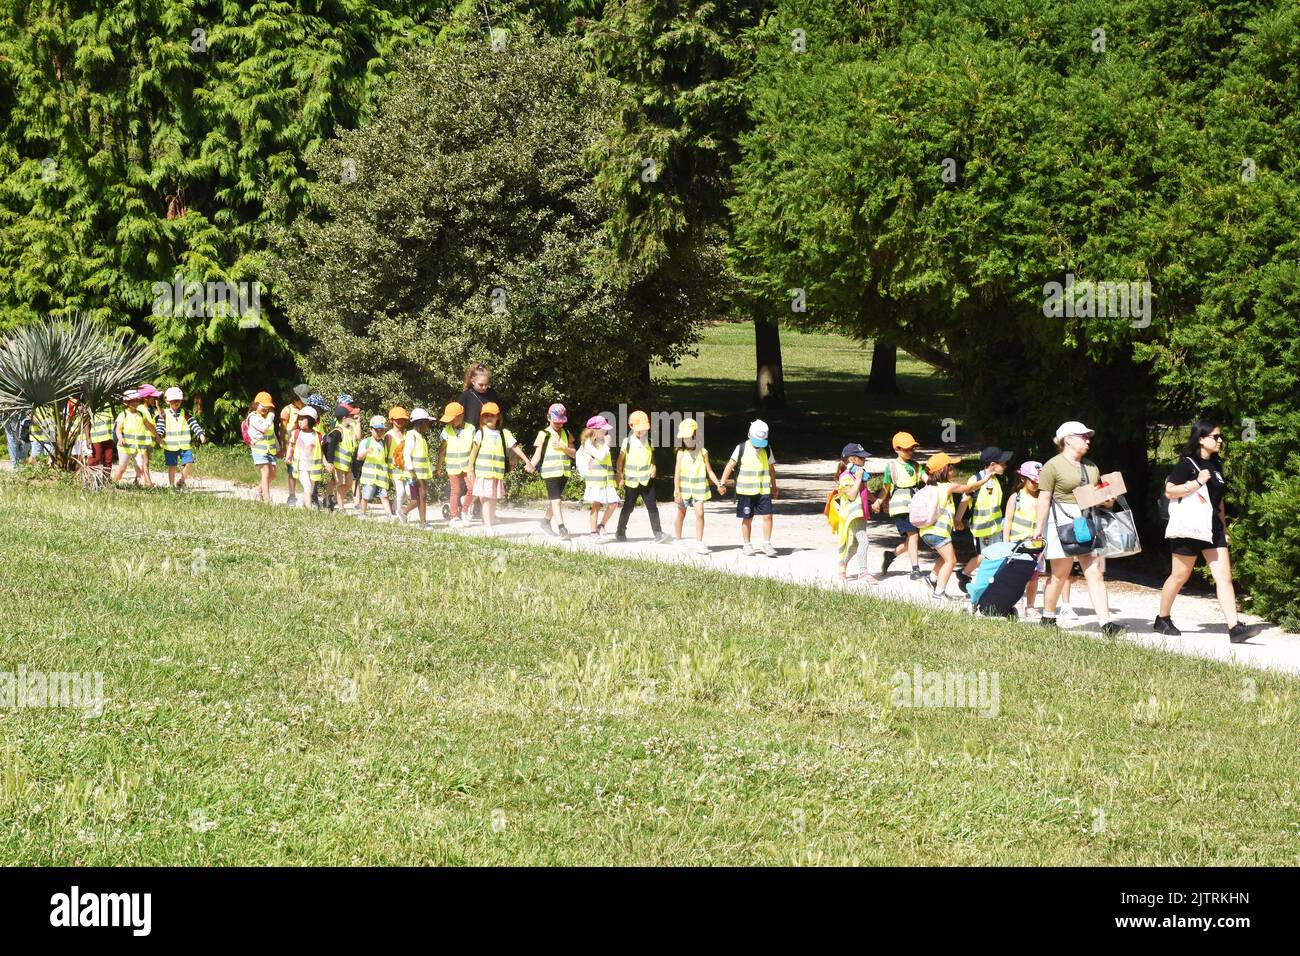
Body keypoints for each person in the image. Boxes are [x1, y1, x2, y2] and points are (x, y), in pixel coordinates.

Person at [1155, 420, 1263, 644]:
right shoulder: (1187, 464)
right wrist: (1196, 483)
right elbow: (1170, 491)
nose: (1220, 441)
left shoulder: (1217, 465)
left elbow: (1218, 501)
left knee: (1224, 577)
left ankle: (1235, 628)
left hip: (1212, 528)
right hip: (1189, 528)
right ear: (1201, 439)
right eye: (1215, 437)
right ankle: (1162, 618)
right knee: (1180, 576)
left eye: (1220, 437)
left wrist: (1223, 529)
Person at [1033, 420, 1126, 636]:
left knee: (1095, 572)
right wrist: (1038, 529)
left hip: (1087, 521)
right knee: (1060, 574)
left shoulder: (1091, 467)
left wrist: (1108, 499)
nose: (1087, 439)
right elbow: (1044, 498)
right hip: (1061, 523)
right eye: (1082, 436)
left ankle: (1106, 623)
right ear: (1068, 439)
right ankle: (1048, 617)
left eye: (1088, 436)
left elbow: (1098, 497)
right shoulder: (1052, 466)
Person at [916, 453, 987, 602]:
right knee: (951, 560)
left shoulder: (930, 484)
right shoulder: (948, 486)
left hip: (926, 531)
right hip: (938, 532)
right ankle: (939, 593)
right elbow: (970, 487)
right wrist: (987, 478)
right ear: (944, 470)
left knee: (946, 556)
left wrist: (956, 521)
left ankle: (932, 578)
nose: (954, 469)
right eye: (951, 466)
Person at [466, 402, 533, 535]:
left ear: (498, 417)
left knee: (493, 499)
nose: (488, 418)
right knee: (485, 499)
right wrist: (469, 469)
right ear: (481, 418)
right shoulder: (481, 433)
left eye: (492, 415)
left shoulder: (505, 433)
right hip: (483, 473)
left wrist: (527, 461)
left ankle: (489, 520)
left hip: (497, 474)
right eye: (485, 416)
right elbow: (473, 452)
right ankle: (488, 526)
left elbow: (515, 448)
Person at [954, 446, 1013, 591]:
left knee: (995, 556)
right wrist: (958, 520)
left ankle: (973, 577)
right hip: (982, 530)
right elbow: (965, 499)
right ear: (993, 465)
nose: (1005, 465)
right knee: (985, 557)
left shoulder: (996, 480)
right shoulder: (976, 479)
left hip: (995, 528)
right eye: (1002, 463)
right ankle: (969, 577)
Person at [718, 419, 779, 557]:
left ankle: (767, 543)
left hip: (763, 490)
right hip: (746, 491)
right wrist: (721, 483)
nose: (759, 445)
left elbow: (771, 469)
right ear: (748, 435)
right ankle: (747, 544)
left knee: (768, 516)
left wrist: (774, 487)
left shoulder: (767, 449)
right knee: (747, 518)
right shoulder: (741, 448)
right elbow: (730, 465)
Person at [615, 410, 672, 544]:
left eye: (645, 429)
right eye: (639, 429)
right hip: (631, 482)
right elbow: (620, 460)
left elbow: (652, 458)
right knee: (628, 508)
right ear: (631, 426)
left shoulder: (650, 441)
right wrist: (620, 475)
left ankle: (658, 533)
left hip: (647, 481)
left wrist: (654, 467)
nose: (642, 432)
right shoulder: (627, 442)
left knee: (652, 507)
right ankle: (620, 531)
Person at [672, 418, 724, 555]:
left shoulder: (703, 452)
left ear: (696, 435)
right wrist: (676, 490)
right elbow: (677, 473)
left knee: (700, 514)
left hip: (699, 489)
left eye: (689, 438)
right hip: (684, 490)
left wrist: (718, 484)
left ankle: (699, 542)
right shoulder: (680, 453)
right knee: (681, 513)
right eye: (684, 438)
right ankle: (677, 540)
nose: (686, 441)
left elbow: (710, 471)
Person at [880, 432, 927, 579]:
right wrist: (879, 501)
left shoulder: (916, 466)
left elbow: (928, 480)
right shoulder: (892, 466)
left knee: (912, 537)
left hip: (915, 506)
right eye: (906, 449)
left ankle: (891, 555)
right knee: (913, 535)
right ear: (897, 449)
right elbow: (886, 488)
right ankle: (915, 569)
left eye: (912, 448)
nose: (910, 452)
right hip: (900, 507)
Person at [1003, 460, 1045, 615]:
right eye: (1033, 481)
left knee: (1033, 578)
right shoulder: (1016, 497)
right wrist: (1006, 542)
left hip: (1035, 546)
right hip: (1016, 546)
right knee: (1016, 577)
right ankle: (1015, 603)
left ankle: (1030, 606)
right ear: (1023, 479)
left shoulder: (1042, 499)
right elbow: (1007, 519)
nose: (1036, 485)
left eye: (1038, 482)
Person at [835, 442, 878, 584]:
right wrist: (859, 478)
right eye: (862, 458)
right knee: (864, 541)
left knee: (854, 546)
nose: (864, 460)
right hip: (852, 515)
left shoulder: (857, 475)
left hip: (861, 513)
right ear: (852, 460)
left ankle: (842, 566)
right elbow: (852, 495)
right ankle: (863, 572)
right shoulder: (846, 477)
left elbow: (864, 493)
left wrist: (877, 501)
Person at [530, 403, 576, 538]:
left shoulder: (567, 433)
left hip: (564, 472)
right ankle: (562, 528)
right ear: (548, 418)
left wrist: (563, 447)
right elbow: (538, 453)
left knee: (555, 500)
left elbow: (573, 453)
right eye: (556, 421)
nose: (558, 424)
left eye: (561, 422)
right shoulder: (543, 434)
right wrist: (531, 465)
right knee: (556, 500)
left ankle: (545, 522)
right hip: (550, 472)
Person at [156, 386, 207, 488]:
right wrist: (159, 437)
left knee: (189, 463)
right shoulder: (164, 414)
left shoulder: (185, 413)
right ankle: (171, 486)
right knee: (172, 466)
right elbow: (160, 427)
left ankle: (181, 481)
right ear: (167, 401)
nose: (176, 402)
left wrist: (200, 434)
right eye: (173, 400)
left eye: (178, 400)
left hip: (185, 445)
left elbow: (194, 424)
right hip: (170, 446)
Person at [580, 416, 620, 541]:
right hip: (596, 480)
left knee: (614, 503)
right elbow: (601, 456)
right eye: (603, 430)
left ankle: (601, 525)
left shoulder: (602, 442)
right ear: (595, 430)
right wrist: (607, 445)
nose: (606, 432)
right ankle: (593, 533)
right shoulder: (588, 443)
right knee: (596, 505)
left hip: (607, 479)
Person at [436, 402, 475, 527]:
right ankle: (454, 517)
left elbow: (475, 449)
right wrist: (438, 468)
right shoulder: (446, 431)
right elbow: (442, 451)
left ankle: (463, 511)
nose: (450, 422)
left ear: (461, 416)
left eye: (452, 419)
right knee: (455, 491)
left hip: (468, 466)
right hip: (452, 467)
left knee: (473, 488)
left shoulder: (471, 429)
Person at [111, 390, 158, 486]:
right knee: (122, 468)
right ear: (126, 403)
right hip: (125, 446)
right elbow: (118, 429)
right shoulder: (123, 414)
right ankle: (113, 484)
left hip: (139, 447)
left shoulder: (141, 414)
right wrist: (120, 438)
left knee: (141, 467)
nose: (135, 403)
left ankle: (140, 484)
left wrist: (157, 436)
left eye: (136, 400)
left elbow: (149, 426)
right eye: (132, 401)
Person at [323, 401, 360, 510]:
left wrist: (357, 422)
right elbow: (331, 447)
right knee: (339, 482)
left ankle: (334, 498)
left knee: (348, 483)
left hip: (348, 463)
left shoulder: (350, 429)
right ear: (344, 417)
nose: (353, 417)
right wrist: (330, 462)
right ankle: (340, 507)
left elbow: (357, 438)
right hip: (339, 463)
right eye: (351, 416)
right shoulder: (337, 431)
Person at [279, 384, 312, 506]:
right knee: (292, 471)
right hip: (290, 447)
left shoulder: (306, 410)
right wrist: (282, 448)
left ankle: (307, 495)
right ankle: (292, 495)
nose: (303, 404)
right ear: (295, 398)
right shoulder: (287, 410)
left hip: (304, 447)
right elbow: (282, 430)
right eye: (301, 401)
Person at [286, 405, 324, 508]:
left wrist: (326, 463)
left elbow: (322, 451)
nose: (300, 421)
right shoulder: (296, 433)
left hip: (313, 467)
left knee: (310, 489)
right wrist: (288, 456)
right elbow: (291, 445)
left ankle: (304, 504)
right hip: (301, 466)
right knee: (307, 487)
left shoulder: (318, 435)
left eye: (303, 419)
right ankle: (309, 510)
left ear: (311, 420)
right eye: (299, 419)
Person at [402, 407, 434, 527]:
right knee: (421, 496)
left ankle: (420, 520)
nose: (428, 425)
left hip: (422, 473)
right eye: (427, 422)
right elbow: (406, 454)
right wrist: (411, 471)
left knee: (422, 497)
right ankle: (422, 521)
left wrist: (433, 469)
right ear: (421, 422)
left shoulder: (421, 438)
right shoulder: (412, 435)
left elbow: (424, 458)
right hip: (415, 473)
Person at [245, 392, 279, 503]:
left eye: (268, 407)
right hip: (259, 450)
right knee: (265, 472)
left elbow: (271, 433)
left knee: (273, 474)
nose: (266, 409)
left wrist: (279, 448)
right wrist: (271, 416)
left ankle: (258, 490)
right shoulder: (253, 417)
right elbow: (263, 428)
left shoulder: (267, 417)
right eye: (263, 406)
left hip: (270, 450)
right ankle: (267, 499)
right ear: (256, 404)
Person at [355, 415, 392, 517]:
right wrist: (366, 451)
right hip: (369, 477)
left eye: (382, 430)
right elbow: (359, 457)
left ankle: (389, 514)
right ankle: (362, 513)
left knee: (384, 495)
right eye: (377, 430)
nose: (380, 433)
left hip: (381, 476)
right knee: (366, 496)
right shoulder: (366, 442)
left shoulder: (384, 443)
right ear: (371, 430)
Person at [386, 407, 409, 520]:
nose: (400, 421)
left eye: (403, 419)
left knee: (407, 493)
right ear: (391, 420)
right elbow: (386, 453)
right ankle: (399, 514)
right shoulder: (389, 435)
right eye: (397, 419)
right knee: (400, 491)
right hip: (394, 467)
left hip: (404, 468)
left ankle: (394, 507)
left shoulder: (406, 434)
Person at [87, 402, 116, 480]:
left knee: (108, 460)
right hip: (96, 437)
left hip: (108, 436)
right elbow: (86, 422)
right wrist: (87, 438)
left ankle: (106, 480)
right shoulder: (92, 402)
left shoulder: (109, 403)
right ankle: (90, 478)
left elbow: (113, 416)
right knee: (96, 459)